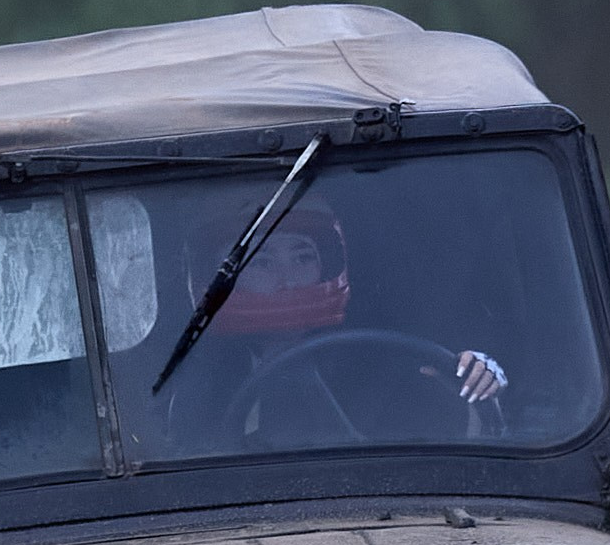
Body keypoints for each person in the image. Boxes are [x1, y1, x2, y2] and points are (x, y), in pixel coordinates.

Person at [154, 194, 507, 453]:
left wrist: (474, 375)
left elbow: (446, 449)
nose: (288, 278)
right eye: (261, 264)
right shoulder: (194, 376)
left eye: (303, 257)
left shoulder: (379, 362)